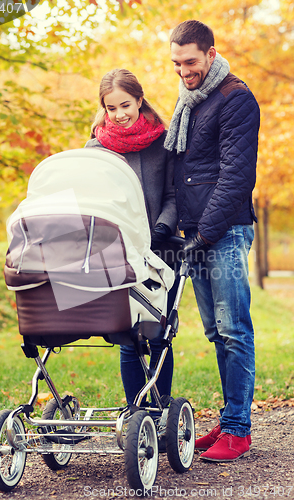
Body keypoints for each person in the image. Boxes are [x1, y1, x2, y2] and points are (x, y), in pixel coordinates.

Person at [164, 20, 260, 462]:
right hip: (195, 232)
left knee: (234, 329)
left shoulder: (235, 99)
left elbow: (236, 177)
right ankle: (230, 416)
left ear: (212, 55)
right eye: (177, 63)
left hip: (223, 231)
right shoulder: (190, 103)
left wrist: (203, 234)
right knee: (215, 333)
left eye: (191, 62)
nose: (184, 71)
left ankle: (238, 429)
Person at [85, 68, 179, 411]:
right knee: (129, 336)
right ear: (104, 109)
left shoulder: (164, 142)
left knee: (159, 335)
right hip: (117, 252)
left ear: (139, 100)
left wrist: (162, 228)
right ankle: (136, 411)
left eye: (125, 104)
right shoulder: (95, 147)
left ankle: (160, 409)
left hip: (159, 249)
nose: (120, 114)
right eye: (111, 108)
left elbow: (173, 195)